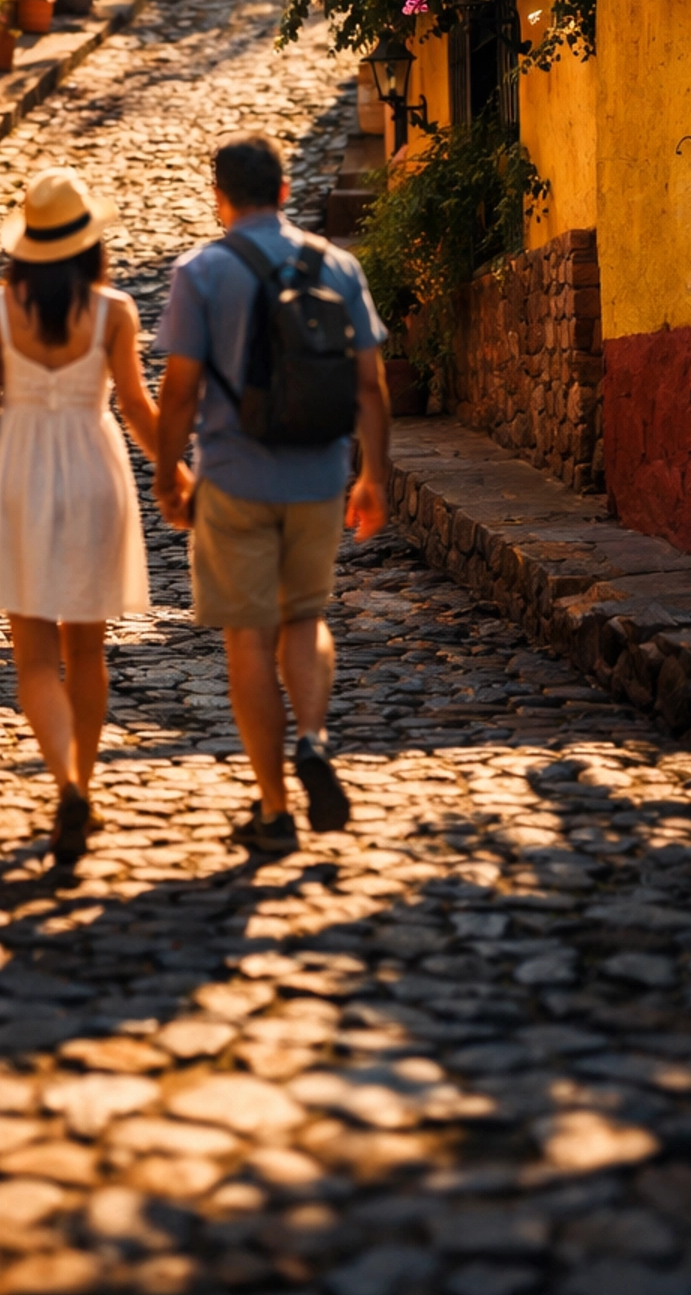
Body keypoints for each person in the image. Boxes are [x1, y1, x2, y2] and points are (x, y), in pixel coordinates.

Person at [154, 131, 390, 854]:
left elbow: (181, 389)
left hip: (232, 479)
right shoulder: (338, 265)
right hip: (319, 475)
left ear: (219, 197)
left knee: (248, 638)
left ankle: (273, 808)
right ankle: (313, 738)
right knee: (306, 617)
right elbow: (371, 385)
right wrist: (373, 475)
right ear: (286, 191)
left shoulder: (202, 270)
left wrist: (168, 474)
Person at [0, 167, 177, 865]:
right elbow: (138, 409)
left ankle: (68, 787)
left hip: (19, 471)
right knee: (87, 650)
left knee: (33, 660)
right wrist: (177, 471)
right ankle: (83, 781)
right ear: (87, 243)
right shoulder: (114, 310)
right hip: (93, 470)